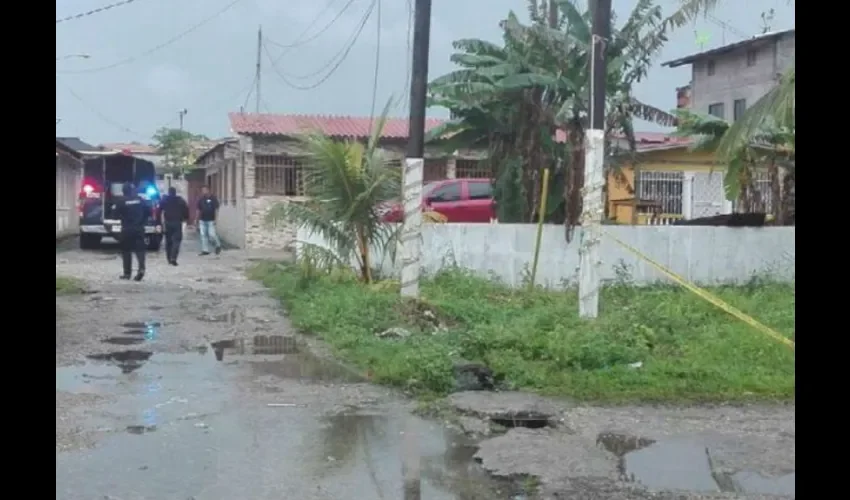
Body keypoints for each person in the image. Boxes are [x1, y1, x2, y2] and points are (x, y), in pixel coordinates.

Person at [113, 183, 150, 281]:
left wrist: (122, 218)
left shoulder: (121, 201)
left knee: (126, 251)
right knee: (140, 250)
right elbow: (148, 211)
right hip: (139, 228)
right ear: (133, 190)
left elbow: (115, 215)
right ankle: (141, 269)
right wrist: (142, 221)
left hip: (127, 229)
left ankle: (127, 273)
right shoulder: (140, 200)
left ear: (123, 191)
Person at [160, 186, 189, 266]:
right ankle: (173, 258)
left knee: (168, 242)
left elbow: (159, 209)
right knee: (177, 241)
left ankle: (169, 259)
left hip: (168, 222)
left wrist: (159, 221)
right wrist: (186, 218)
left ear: (168, 192)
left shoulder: (165, 200)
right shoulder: (180, 200)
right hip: (177, 222)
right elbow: (186, 209)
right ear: (175, 192)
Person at [196, 185, 222, 256]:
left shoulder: (213, 199)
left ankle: (218, 245)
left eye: (204, 190)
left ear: (208, 190)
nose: (203, 192)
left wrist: (216, 219)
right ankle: (205, 250)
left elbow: (216, 209)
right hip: (202, 220)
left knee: (212, 234)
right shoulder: (201, 199)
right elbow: (198, 209)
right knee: (203, 235)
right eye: (202, 190)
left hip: (211, 219)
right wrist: (196, 219)